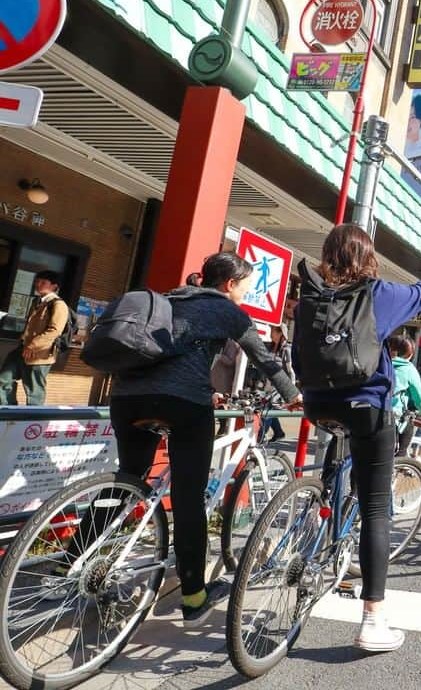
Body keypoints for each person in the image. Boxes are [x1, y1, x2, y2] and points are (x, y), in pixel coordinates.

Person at [99, 253, 301, 627]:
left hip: (127, 398)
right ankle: (194, 598)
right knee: (190, 497)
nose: (246, 291)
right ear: (229, 284)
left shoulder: (169, 298)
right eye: (245, 285)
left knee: (128, 479)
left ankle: (72, 559)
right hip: (182, 404)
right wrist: (293, 395)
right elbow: (263, 359)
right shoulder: (227, 311)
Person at [293, 223, 421, 652]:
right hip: (366, 406)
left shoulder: (310, 296)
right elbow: (419, 294)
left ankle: (323, 518)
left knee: (338, 467)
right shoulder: (376, 294)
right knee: (376, 507)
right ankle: (373, 619)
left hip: (318, 404)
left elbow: (296, 352)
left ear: (327, 255)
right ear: (367, 257)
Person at [0, 270, 70, 405]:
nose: (38, 284)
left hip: (41, 355)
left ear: (54, 286)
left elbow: (55, 330)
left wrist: (33, 345)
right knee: (4, 379)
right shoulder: (36, 302)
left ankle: (33, 420)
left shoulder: (58, 305)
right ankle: (9, 412)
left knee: (34, 391)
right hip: (22, 349)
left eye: (43, 282)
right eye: (37, 281)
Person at [389, 335, 421, 456]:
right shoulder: (409, 369)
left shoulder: (382, 362)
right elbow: (418, 395)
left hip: (369, 408)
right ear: (410, 354)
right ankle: (400, 460)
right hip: (392, 415)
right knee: (406, 431)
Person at [256, 324, 293, 444]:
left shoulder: (286, 350)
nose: (271, 332)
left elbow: (290, 371)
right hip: (267, 387)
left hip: (278, 389)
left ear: (281, 333)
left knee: (267, 412)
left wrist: (290, 392)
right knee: (269, 409)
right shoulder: (269, 347)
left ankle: (260, 438)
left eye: (273, 330)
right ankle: (279, 432)